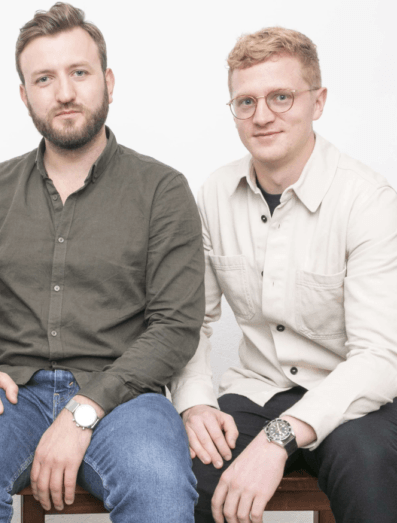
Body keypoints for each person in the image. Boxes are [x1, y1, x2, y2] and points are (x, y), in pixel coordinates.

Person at [0, 3, 205, 522]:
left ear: (108, 80)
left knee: (158, 484)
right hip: (12, 395)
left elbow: (176, 325)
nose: (64, 92)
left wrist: (85, 410)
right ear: (25, 94)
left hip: (126, 397)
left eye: (79, 72)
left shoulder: (162, 190)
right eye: (44, 78)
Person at [169, 27, 397, 523]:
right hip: (259, 386)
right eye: (245, 102)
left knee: (370, 469)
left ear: (318, 102)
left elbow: (378, 356)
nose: (263, 115)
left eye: (280, 96)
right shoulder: (213, 193)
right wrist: (194, 404)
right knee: (187, 473)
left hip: (355, 396)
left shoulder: (368, 200)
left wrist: (279, 438)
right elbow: (194, 324)